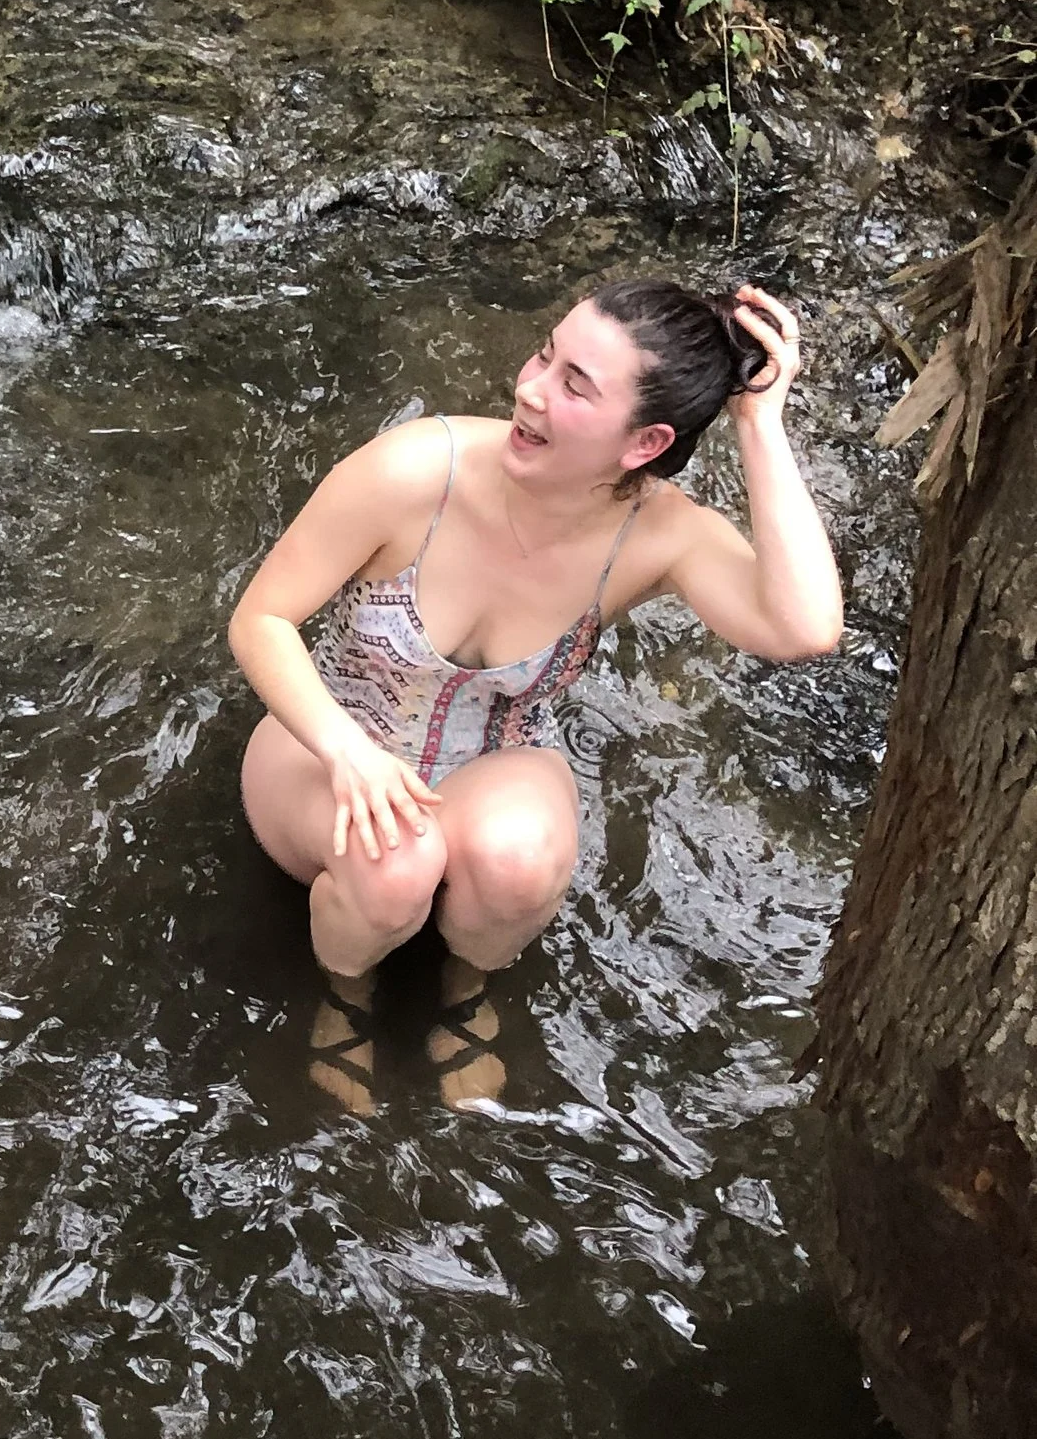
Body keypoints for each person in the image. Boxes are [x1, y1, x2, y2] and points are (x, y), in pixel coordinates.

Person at [229, 281, 842, 1108]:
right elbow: (261, 618)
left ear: (645, 442)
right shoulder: (416, 470)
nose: (530, 387)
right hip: (324, 740)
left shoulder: (657, 535)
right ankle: (345, 1001)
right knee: (392, 863)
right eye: (545, 354)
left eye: (574, 385)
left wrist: (760, 425)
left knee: (518, 863)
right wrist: (348, 752)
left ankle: (466, 990)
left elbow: (803, 627)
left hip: (496, 756)